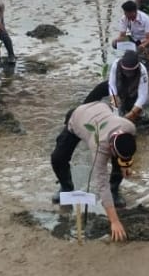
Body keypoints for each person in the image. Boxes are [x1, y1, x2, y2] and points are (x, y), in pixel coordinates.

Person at [50, 100, 137, 241]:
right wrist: (114, 221)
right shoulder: (99, 146)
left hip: (101, 108)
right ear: (109, 147)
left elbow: (128, 147)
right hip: (78, 118)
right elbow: (101, 184)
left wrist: (126, 165)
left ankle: (115, 189)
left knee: (119, 160)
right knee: (58, 158)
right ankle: (66, 187)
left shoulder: (129, 127)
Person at [82, 50, 149, 122]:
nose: (128, 73)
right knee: (100, 88)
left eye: (131, 71)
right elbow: (111, 85)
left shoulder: (142, 71)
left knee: (134, 113)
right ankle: (83, 108)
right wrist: (115, 104)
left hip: (133, 90)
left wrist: (132, 113)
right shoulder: (116, 64)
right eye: (126, 70)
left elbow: (142, 95)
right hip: (119, 84)